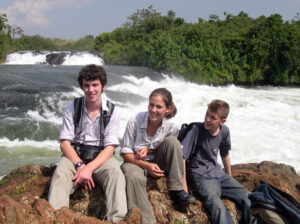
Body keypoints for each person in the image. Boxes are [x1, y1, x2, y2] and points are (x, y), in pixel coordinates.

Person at [48, 64, 127, 222]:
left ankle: (117, 219)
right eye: (87, 85)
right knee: (60, 174)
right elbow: (64, 143)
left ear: (103, 86)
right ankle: (56, 218)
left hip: (100, 157)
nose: (91, 90)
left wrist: (89, 168)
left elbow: (110, 148)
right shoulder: (72, 107)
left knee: (116, 174)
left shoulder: (113, 111)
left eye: (95, 85)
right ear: (82, 87)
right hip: (75, 157)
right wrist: (80, 165)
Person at [120, 88, 195, 224]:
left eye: (159, 107)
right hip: (135, 162)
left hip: (158, 161)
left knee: (173, 142)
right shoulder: (134, 121)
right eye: (151, 105)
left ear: (168, 109)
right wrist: (147, 165)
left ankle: (176, 190)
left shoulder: (172, 127)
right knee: (132, 176)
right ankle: (147, 220)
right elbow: (125, 153)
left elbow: (170, 150)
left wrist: (148, 152)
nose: (153, 110)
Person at [181, 99, 252, 224]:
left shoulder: (224, 131)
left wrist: (229, 176)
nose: (207, 119)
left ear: (222, 121)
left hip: (218, 173)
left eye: (213, 117)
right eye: (207, 114)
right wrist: (184, 187)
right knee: (217, 206)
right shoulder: (196, 131)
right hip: (200, 175)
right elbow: (182, 158)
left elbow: (225, 154)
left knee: (246, 196)